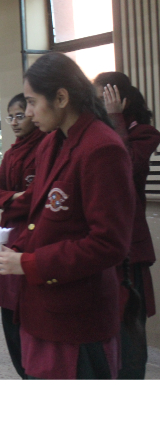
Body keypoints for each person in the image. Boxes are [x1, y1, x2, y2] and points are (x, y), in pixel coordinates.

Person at [0, 53, 136, 380]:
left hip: (79, 313)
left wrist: (30, 263)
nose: (27, 113)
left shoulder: (102, 147)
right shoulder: (50, 144)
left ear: (61, 98)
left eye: (31, 102)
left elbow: (108, 244)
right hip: (43, 306)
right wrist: (18, 250)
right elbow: (41, 217)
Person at [93, 71, 160, 379]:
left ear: (121, 100)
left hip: (132, 247)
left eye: (103, 98)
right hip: (102, 242)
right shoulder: (96, 131)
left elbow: (127, 167)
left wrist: (114, 119)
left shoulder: (144, 133)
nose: (98, 105)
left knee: (129, 327)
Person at [0, 93, 46, 378]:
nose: (15, 122)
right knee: (10, 311)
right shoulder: (11, 154)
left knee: (31, 314)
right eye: (10, 117)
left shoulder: (46, 147)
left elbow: (39, 197)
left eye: (20, 115)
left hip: (33, 239)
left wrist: (9, 199)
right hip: (9, 238)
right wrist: (14, 197)